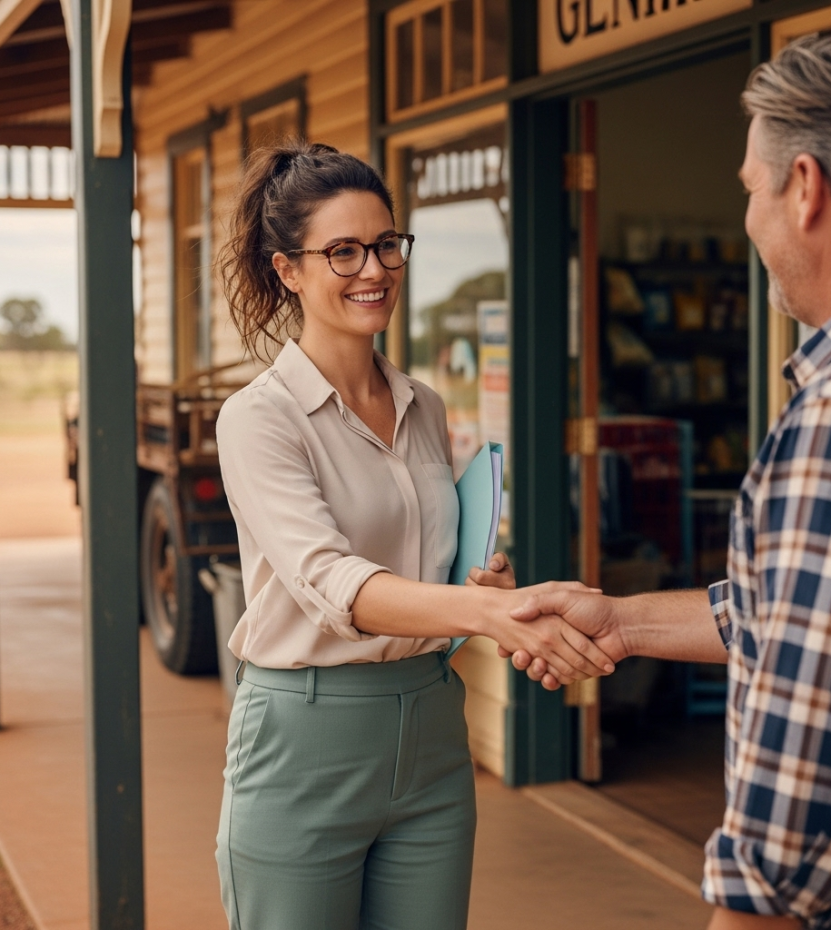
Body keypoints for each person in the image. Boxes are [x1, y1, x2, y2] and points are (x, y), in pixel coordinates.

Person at [503, 32, 831, 930]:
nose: (750, 221)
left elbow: (795, 821)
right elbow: (812, 614)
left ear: (806, 189)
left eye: (752, 192)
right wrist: (622, 620)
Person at [212, 140, 614, 930]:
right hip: (304, 741)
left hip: (432, 734)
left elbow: (427, 562)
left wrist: (485, 589)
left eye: (387, 244)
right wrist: (488, 617)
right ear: (288, 269)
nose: (375, 269)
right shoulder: (259, 418)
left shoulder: (423, 405)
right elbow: (333, 583)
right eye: (344, 251)